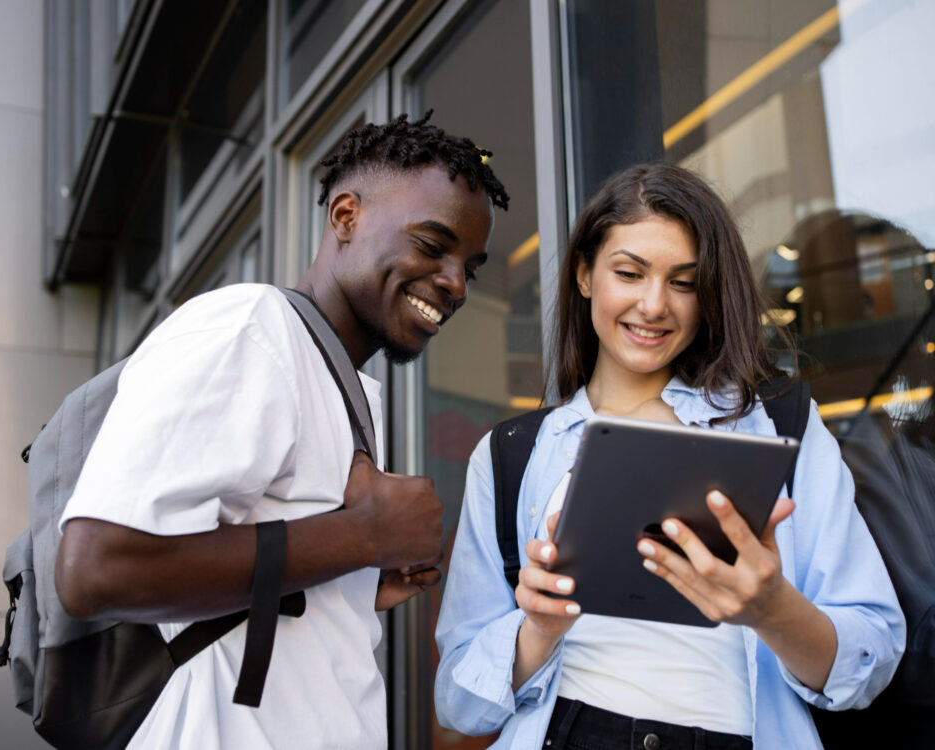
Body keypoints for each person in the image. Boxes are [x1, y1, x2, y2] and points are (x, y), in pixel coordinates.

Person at [54, 112, 508, 749]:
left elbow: (257, 573)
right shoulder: (251, 329)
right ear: (345, 216)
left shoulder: (331, 375)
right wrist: (363, 535)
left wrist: (352, 580)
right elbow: (95, 567)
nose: (456, 283)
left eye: (471, 265)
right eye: (432, 246)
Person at [434, 164, 905, 749]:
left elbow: (874, 654)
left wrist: (772, 609)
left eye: (684, 282)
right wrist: (539, 629)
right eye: (629, 273)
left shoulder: (779, 423)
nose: (654, 305)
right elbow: (457, 703)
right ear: (584, 274)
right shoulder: (512, 455)